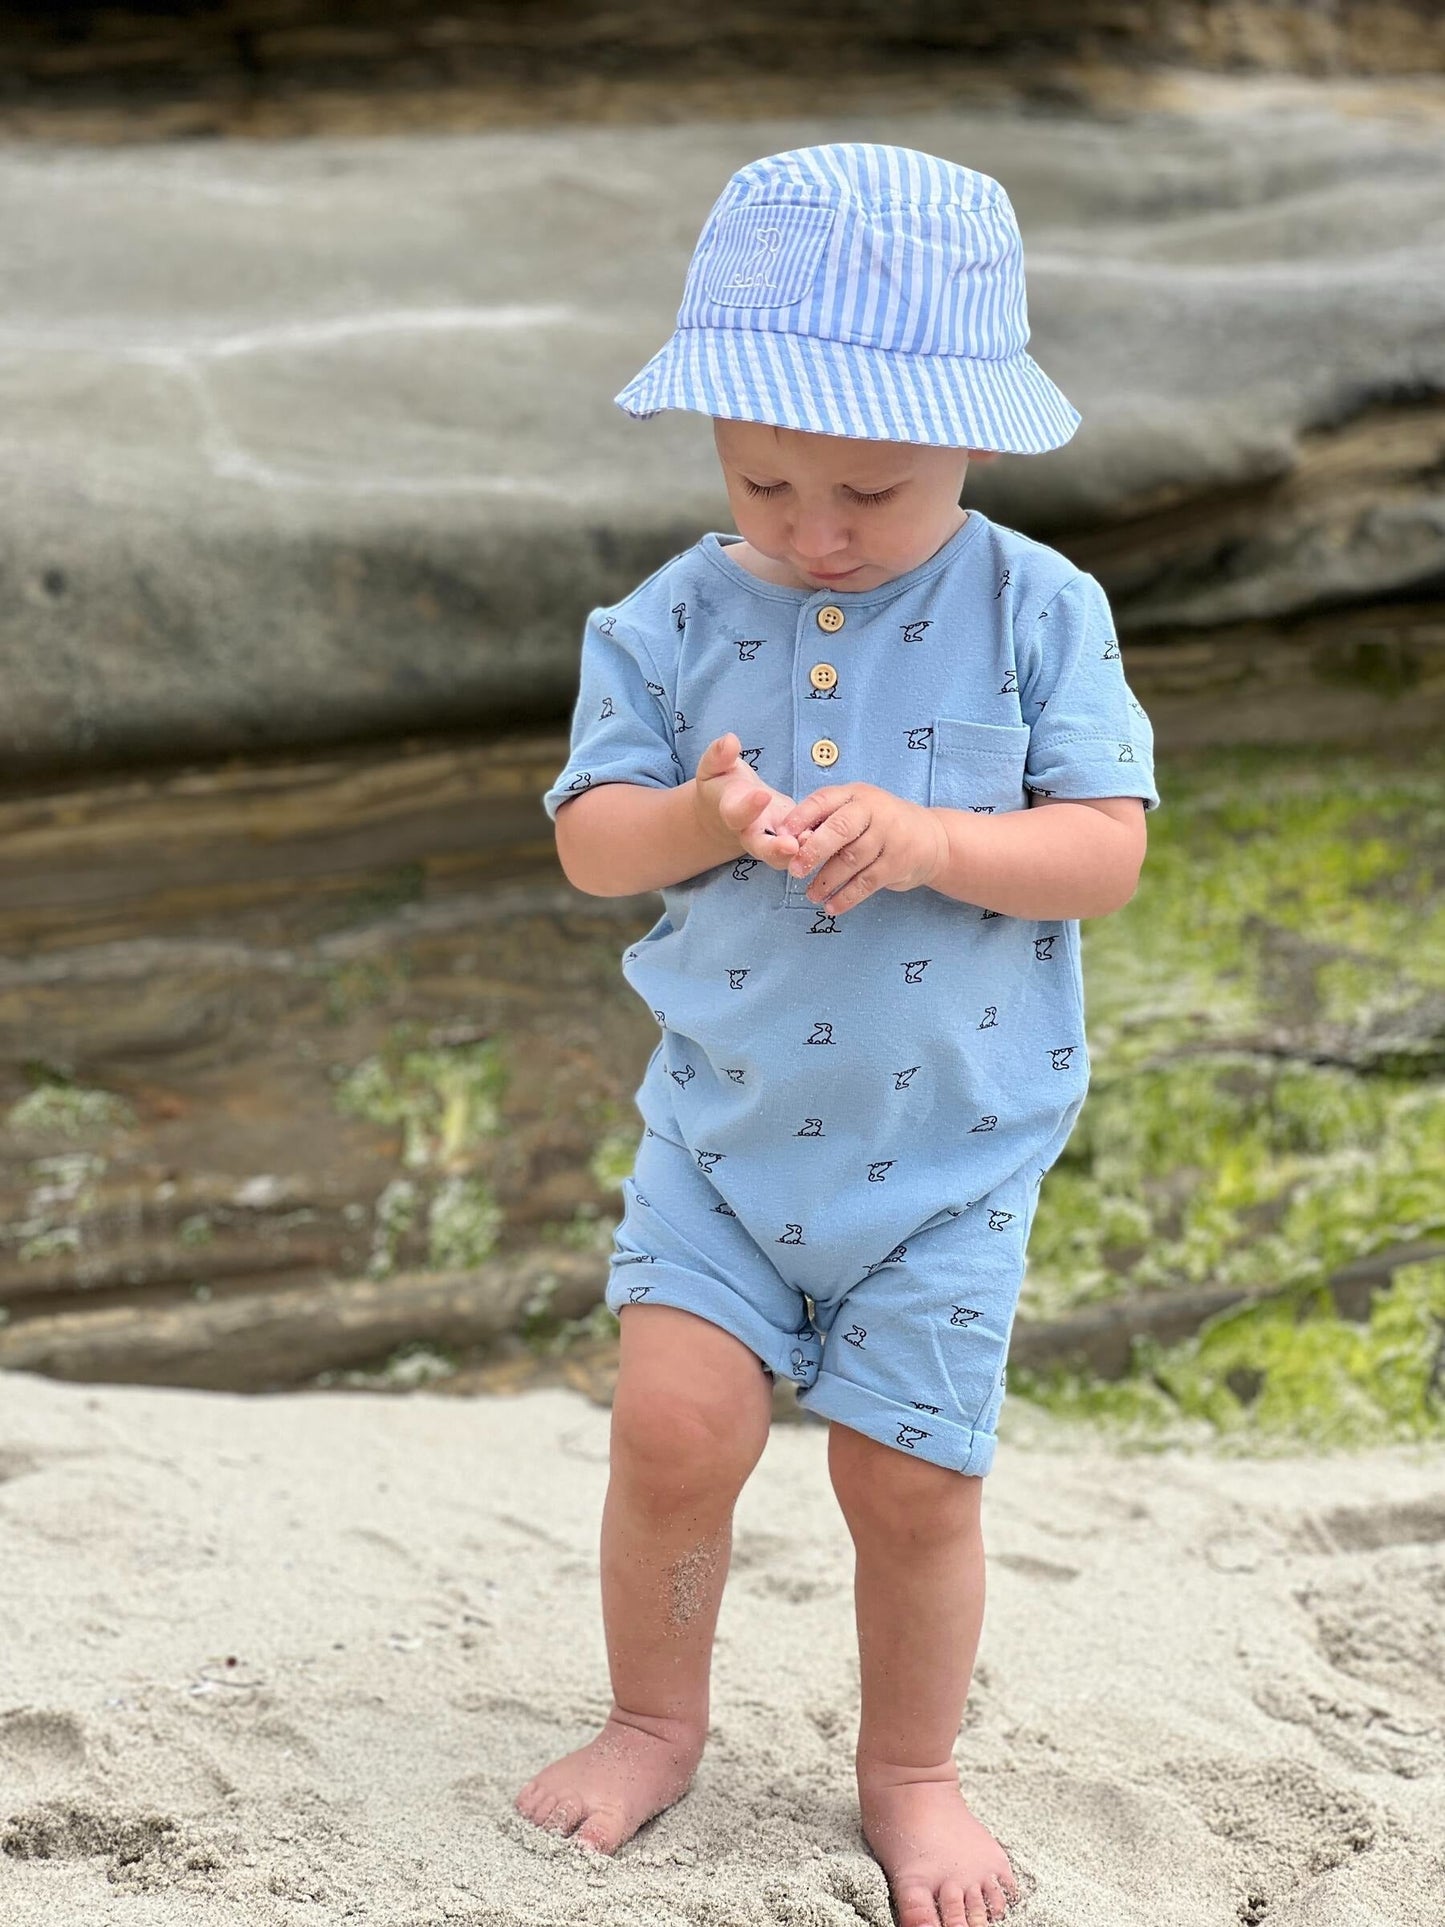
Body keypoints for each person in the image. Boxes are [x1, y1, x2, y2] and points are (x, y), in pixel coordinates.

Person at [519, 143, 1159, 1927]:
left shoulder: (1038, 611)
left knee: (907, 1480)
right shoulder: (662, 621)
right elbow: (587, 842)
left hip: (950, 1156)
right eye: (762, 474)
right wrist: (703, 820)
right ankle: (653, 1719)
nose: (812, 527)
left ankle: (910, 1774)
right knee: (668, 1431)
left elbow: (1101, 852)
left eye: (870, 485)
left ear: (974, 439)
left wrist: (937, 841)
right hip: (719, 1135)